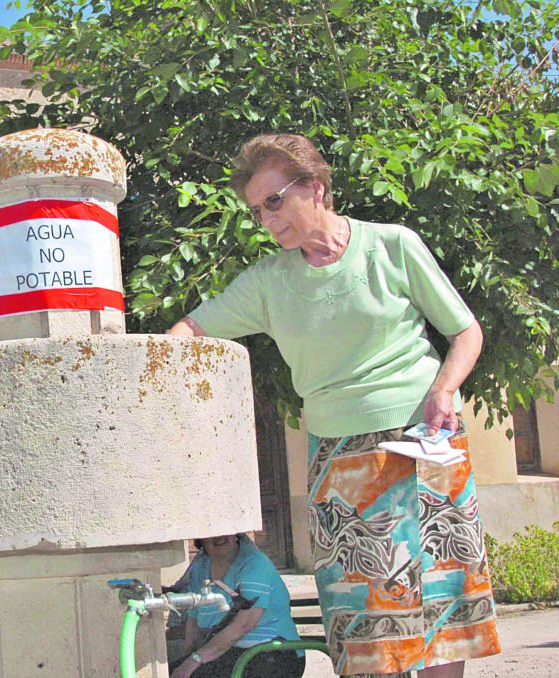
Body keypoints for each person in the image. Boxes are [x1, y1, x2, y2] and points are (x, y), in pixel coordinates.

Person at [168, 133, 500, 677]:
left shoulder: (393, 245)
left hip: (426, 442)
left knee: (445, 614)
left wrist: (443, 389)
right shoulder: (267, 283)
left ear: (316, 187)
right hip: (341, 462)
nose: (267, 220)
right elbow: (189, 328)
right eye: (257, 211)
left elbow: (466, 332)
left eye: (274, 201)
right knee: (365, 627)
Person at [170, 534, 305, 678]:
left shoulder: (255, 563)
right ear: (201, 539)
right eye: (212, 533)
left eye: (225, 530)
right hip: (229, 652)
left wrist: (194, 660)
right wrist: (186, 659)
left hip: (272, 653)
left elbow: (244, 624)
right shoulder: (201, 566)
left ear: (235, 534)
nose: (219, 536)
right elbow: (194, 620)